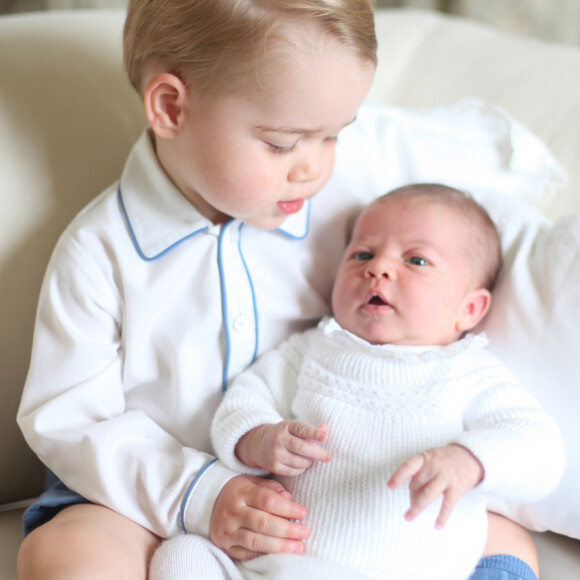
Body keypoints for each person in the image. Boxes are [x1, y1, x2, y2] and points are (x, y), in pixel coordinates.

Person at [13, 0, 545, 576]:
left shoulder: (349, 211)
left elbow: (461, 194)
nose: (312, 169)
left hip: (326, 493)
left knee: (506, 535)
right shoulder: (99, 253)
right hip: (141, 495)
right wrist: (200, 492)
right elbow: (70, 420)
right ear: (171, 107)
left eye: (334, 136)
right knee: (64, 555)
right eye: (280, 143)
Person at [150, 185, 563, 580]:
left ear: (469, 308)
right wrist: (259, 439)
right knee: (182, 554)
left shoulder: (469, 373)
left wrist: (471, 460)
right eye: (362, 253)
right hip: (273, 569)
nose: (378, 268)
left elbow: (540, 449)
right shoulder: (312, 350)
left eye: (416, 261)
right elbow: (242, 401)